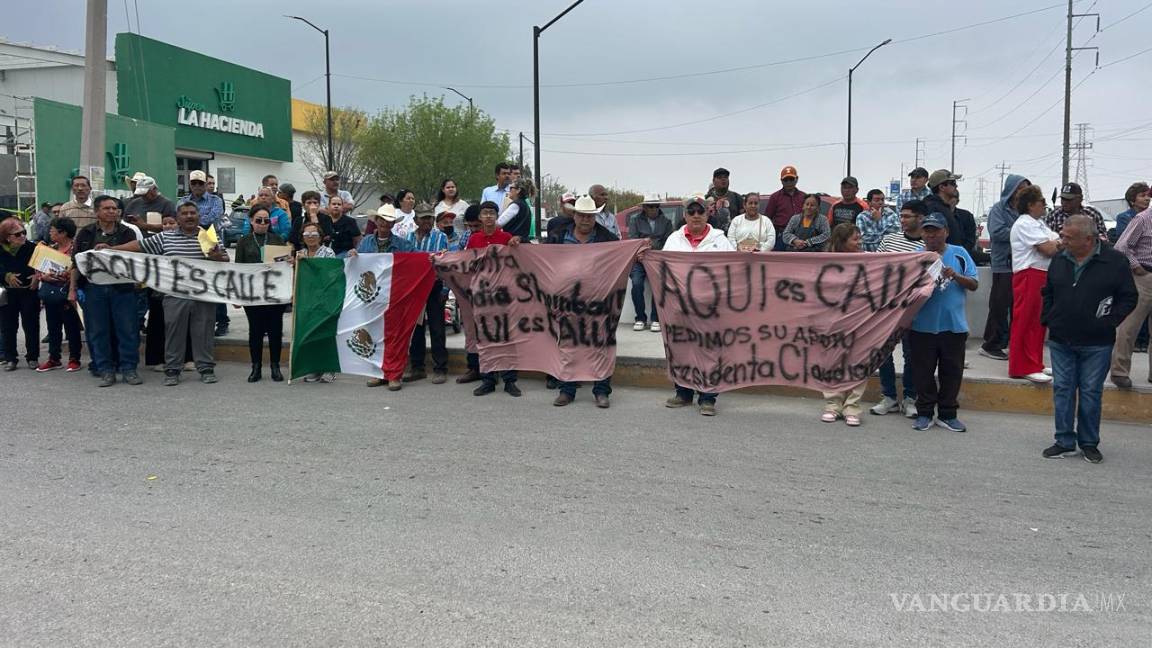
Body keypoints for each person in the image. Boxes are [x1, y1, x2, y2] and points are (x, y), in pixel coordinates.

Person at [1042, 215, 1138, 463]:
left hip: (1097, 343)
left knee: (1090, 393)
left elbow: (1128, 297)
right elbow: (1049, 291)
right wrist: (1049, 318)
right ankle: (1064, 441)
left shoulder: (1115, 261)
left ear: (1088, 239)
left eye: (1068, 237)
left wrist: (1109, 321)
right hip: (1061, 339)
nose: (1062, 241)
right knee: (1063, 390)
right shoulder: (1059, 259)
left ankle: (1088, 443)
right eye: (1062, 235)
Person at [107, 202, 229, 386]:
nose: (189, 216)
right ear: (178, 218)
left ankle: (205, 368)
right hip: (174, 295)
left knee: (203, 333)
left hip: (203, 295)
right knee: (174, 332)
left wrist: (216, 256)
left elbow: (225, 259)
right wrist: (112, 249)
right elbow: (139, 246)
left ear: (198, 216)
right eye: (185, 213)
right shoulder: (165, 237)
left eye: (193, 213)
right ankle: (172, 369)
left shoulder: (209, 237)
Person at [545, 196, 630, 408]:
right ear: (574, 215)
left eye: (590, 216)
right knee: (567, 345)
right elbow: (545, 263)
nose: (585, 220)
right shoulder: (557, 237)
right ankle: (567, 389)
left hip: (599, 300)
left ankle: (601, 391)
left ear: (595, 216)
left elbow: (621, 259)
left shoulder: (608, 239)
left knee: (602, 344)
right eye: (581, 215)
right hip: (567, 300)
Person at [663, 196, 736, 416]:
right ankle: (683, 392)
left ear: (707, 214)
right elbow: (663, 269)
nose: (696, 215)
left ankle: (708, 397)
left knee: (710, 351)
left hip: (710, 307)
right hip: (681, 305)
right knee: (682, 349)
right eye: (691, 211)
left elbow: (733, 268)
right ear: (684, 215)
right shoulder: (674, 240)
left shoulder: (720, 240)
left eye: (700, 211)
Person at [908, 213, 979, 432]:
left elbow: (974, 283)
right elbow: (905, 288)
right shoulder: (915, 257)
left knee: (952, 372)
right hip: (921, 326)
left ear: (946, 232)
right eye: (927, 231)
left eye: (936, 230)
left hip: (953, 326)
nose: (931, 235)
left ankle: (948, 414)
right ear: (922, 234)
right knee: (922, 373)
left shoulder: (959, 254)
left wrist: (955, 276)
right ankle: (925, 413)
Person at [69, 196, 140, 387]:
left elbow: (135, 250)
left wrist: (111, 249)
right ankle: (105, 369)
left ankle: (129, 369)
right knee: (97, 331)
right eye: (107, 208)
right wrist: (72, 290)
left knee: (127, 330)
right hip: (94, 289)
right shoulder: (86, 233)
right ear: (97, 212)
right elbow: (75, 263)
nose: (112, 211)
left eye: (114, 208)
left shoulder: (127, 232)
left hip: (122, 289)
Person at [871, 199, 928, 418]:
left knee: (911, 354)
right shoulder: (888, 240)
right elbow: (876, 269)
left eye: (907, 216)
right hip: (887, 307)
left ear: (920, 218)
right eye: (901, 216)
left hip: (914, 309)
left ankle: (910, 398)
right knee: (884, 354)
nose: (902, 220)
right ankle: (889, 397)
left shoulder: (926, 246)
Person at [466, 201, 522, 397]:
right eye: (485, 213)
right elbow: (466, 262)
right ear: (480, 217)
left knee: (507, 337)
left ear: (497, 216)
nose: (488, 216)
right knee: (484, 337)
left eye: (492, 213)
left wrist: (517, 242)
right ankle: (488, 379)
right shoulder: (474, 239)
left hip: (504, 295)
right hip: (482, 296)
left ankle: (509, 380)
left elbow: (518, 261)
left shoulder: (506, 237)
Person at [1009, 185, 1061, 384]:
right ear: (1031, 205)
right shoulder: (1025, 224)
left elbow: (1057, 240)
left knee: (1038, 322)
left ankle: (1034, 362)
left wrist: (1059, 242)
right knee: (1025, 320)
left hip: (1040, 275)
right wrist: (1060, 243)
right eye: (1041, 202)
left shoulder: (1038, 223)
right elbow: (1048, 248)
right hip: (1028, 274)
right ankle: (1022, 366)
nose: (1044, 206)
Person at [979, 175, 1032, 361]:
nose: (1023, 193)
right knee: (999, 305)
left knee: (1017, 307)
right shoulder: (999, 209)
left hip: (1023, 264)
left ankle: (1007, 342)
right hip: (1003, 265)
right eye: (1020, 188)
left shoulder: (1026, 211)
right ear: (1012, 189)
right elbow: (997, 232)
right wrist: (1023, 232)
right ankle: (991, 344)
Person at [821, 224, 868, 426]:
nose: (859, 243)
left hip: (861, 318)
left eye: (859, 239)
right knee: (833, 362)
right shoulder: (825, 261)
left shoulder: (869, 260)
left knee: (859, 363)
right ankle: (832, 404)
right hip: (833, 319)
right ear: (842, 241)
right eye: (855, 239)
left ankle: (853, 407)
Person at [235, 206, 288, 383]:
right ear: (251, 221)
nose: (263, 223)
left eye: (267, 220)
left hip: (274, 293)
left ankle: (275, 366)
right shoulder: (243, 241)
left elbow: (284, 266)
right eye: (259, 220)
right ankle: (256, 366)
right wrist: (238, 295)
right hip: (253, 293)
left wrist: (288, 260)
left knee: (275, 330)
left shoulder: (278, 239)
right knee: (255, 331)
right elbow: (238, 269)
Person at [405, 205, 450, 385]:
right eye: (424, 218)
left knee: (438, 327)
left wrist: (446, 289)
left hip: (435, 285)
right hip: (415, 287)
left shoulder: (441, 237)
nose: (427, 221)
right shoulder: (408, 238)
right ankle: (417, 367)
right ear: (416, 220)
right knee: (416, 329)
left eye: (430, 218)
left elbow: (446, 264)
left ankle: (440, 368)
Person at [1110, 201, 1152, 389]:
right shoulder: (1143, 219)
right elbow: (1122, 246)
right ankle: (1119, 372)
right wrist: (1136, 266)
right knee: (1129, 326)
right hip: (1143, 276)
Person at [33, 217, 82, 373]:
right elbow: (39, 269)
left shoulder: (76, 249)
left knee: (71, 327)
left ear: (63, 233)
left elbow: (79, 270)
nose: (50, 232)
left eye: (53, 230)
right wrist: (43, 277)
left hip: (67, 293)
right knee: (53, 327)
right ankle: (54, 358)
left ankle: (75, 359)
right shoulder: (51, 249)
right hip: (50, 293)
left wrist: (67, 276)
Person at [295, 221, 337, 385]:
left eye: (314, 234)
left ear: (320, 236)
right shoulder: (300, 253)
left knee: (325, 334)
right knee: (310, 334)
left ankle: (329, 368)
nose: (311, 237)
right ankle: (314, 367)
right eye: (307, 235)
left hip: (325, 299)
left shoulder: (328, 252)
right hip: (306, 300)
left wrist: (309, 264)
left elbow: (329, 274)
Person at [628, 194, 673, 332]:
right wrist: (643, 248)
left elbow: (668, 242)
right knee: (636, 284)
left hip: (657, 260)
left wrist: (653, 248)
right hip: (639, 259)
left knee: (659, 284)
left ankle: (656, 318)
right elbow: (633, 240)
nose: (653, 208)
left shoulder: (666, 221)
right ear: (644, 207)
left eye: (656, 206)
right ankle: (640, 318)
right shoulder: (634, 220)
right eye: (650, 206)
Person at [0, 217, 39, 371]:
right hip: (7, 293)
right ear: (6, 237)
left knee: (31, 325)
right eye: (17, 234)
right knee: (8, 326)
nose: (22, 236)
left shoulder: (32, 247)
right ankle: (10, 358)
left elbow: (43, 265)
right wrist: (6, 276)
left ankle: (32, 357)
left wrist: (37, 276)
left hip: (29, 291)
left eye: (23, 232)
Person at [764, 166, 806, 251]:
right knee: (778, 262)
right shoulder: (775, 197)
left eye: (791, 179)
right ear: (781, 181)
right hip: (782, 235)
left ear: (797, 179)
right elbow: (767, 219)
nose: (789, 182)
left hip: (802, 235)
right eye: (786, 180)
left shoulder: (804, 196)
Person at [922, 169, 964, 247]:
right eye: (953, 183)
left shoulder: (943, 207)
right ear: (941, 187)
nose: (956, 186)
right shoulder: (932, 208)